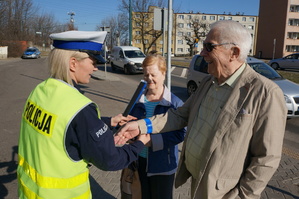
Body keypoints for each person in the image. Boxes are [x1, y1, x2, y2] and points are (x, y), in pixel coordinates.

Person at [115, 20, 287, 199]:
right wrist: (141, 126)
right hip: (198, 181)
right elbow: (180, 115)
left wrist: (243, 196)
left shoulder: (265, 93)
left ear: (234, 53)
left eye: (209, 47)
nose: (202, 53)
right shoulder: (208, 82)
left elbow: (266, 158)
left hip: (226, 193)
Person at [17, 30, 149, 199]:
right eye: (93, 61)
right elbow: (110, 160)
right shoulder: (80, 108)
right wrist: (139, 143)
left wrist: (109, 122)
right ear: (73, 63)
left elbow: (64, 126)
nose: (95, 68)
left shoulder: (40, 91)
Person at [124, 54, 185, 199]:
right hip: (139, 161)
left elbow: (180, 133)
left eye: (153, 74)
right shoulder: (138, 100)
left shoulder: (174, 104)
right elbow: (129, 120)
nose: (149, 78)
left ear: (164, 74)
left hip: (163, 165)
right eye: (146, 74)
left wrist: (151, 141)